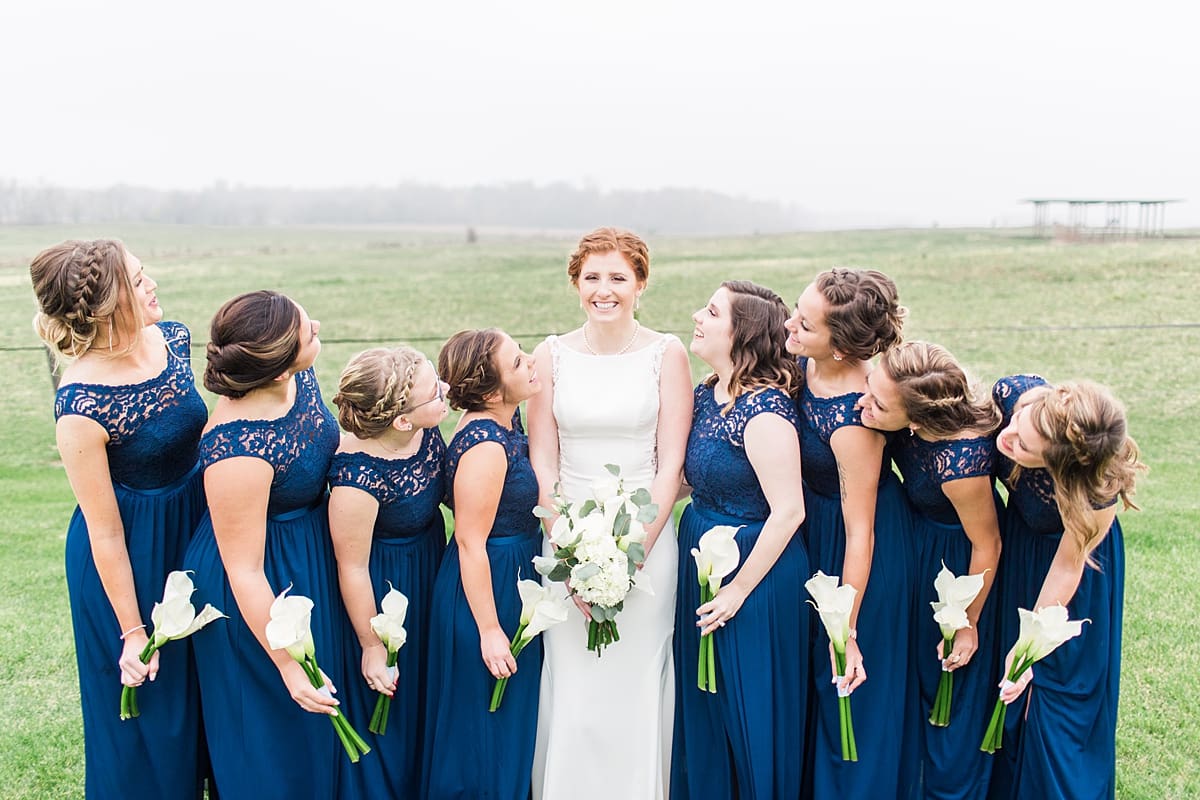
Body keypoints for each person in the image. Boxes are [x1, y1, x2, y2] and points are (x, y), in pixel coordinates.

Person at [32, 239, 208, 798]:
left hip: (194, 531)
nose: (151, 282)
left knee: (205, 691)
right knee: (150, 720)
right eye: (137, 279)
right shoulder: (80, 405)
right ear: (107, 303)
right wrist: (134, 631)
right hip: (128, 553)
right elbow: (103, 529)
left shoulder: (173, 339)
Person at [527, 227, 692, 800]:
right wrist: (567, 548)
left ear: (640, 284)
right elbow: (542, 457)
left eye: (618, 278)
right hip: (565, 539)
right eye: (593, 278)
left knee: (636, 679)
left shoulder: (666, 353)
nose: (605, 290)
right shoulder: (548, 354)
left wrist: (636, 548)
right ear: (576, 284)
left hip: (647, 540)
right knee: (574, 682)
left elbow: (671, 463)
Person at [183, 291, 345, 800]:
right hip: (256, 586)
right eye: (307, 331)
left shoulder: (299, 376)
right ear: (274, 370)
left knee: (317, 734)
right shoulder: (236, 448)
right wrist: (289, 665)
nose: (315, 326)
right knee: (271, 734)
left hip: (308, 556)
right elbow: (244, 571)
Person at [671, 281, 810, 799]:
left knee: (749, 709)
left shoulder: (765, 411)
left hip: (757, 576)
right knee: (705, 704)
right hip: (702, 555)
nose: (697, 316)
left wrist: (736, 591)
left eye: (710, 311)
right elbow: (692, 476)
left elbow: (789, 510)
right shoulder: (710, 394)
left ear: (742, 334)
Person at [783, 267, 916, 798]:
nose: (791, 325)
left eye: (805, 324)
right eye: (798, 308)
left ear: (840, 349)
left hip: (859, 550)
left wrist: (849, 628)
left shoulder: (855, 418)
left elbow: (861, 531)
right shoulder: (804, 362)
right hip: (811, 529)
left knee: (846, 686)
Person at [857, 341, 1003, 800]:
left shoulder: (961, 464)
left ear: (916, 421)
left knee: (950, 680)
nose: (864, 404)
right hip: (915, 546)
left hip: (958, 565)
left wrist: (966, 622)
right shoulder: (909, 400)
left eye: (878, 404)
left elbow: (987, 542)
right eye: (869, 389)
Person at [987, 377, 1144, 800]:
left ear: (1059, 468)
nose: (1008, 438)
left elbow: (1066, 569)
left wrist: (1029, 648)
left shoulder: (1094, 492)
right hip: (1020, 549)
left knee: (1056, 691)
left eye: (1023, 448)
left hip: (1074, 571)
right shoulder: (1011, 396)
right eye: (1019, 424)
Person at [421, 329, 544, 800]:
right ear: (492, 391)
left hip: (512, 574)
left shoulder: (505, 420)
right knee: (483, 731)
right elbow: (471, 542)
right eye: (517, 361)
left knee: (504, 724)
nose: (530, 361)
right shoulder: (486, 446)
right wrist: (490, 630)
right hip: (488, 586)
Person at [328, 347, 450, 799]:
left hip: (428, 566)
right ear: (401, 420)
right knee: (389, 702)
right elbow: (352, 567)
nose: (446, 393)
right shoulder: (356, 480)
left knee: (424, 694)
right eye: (436, 392)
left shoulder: (425, 431)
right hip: (383, 591)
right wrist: (371, 644)